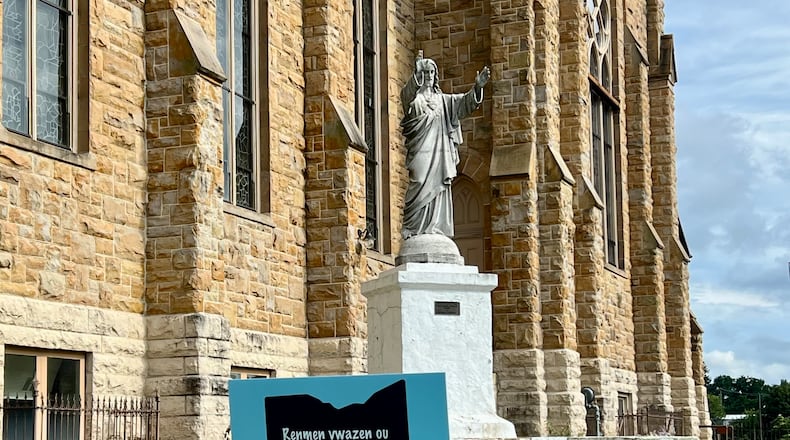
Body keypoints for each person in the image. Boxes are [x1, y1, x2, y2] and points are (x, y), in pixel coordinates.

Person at [400, 53, 490, 239]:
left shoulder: (443, 100)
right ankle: (415, 228)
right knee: (418, 179)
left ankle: (436, 228)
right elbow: (406, 98)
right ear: (419, 74)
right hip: (420, 151)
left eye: (432, 71)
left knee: (439, 184)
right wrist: (415, 76)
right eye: (425, 71)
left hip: (440, 153)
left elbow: (465, 103)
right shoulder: (415, 99)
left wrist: (477, 88)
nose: (429, 75)